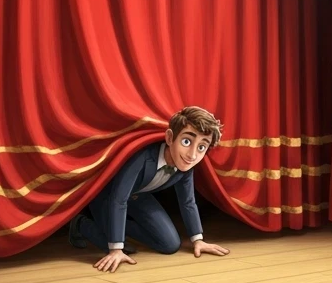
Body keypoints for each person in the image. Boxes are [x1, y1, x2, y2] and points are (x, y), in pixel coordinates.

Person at [69, 106, 231, 272]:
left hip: (139, 196)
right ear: (169, 138)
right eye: (186, 142)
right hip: (109, 196)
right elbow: (118, 199)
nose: (192, 155)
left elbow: (188, 201)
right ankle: (80, 224)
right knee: (113, 244)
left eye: (201, 147)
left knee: (170, 245)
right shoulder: (143, 157)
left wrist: (198, 239)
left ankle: (116, 230)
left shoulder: (186, 166)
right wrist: (116, 249)